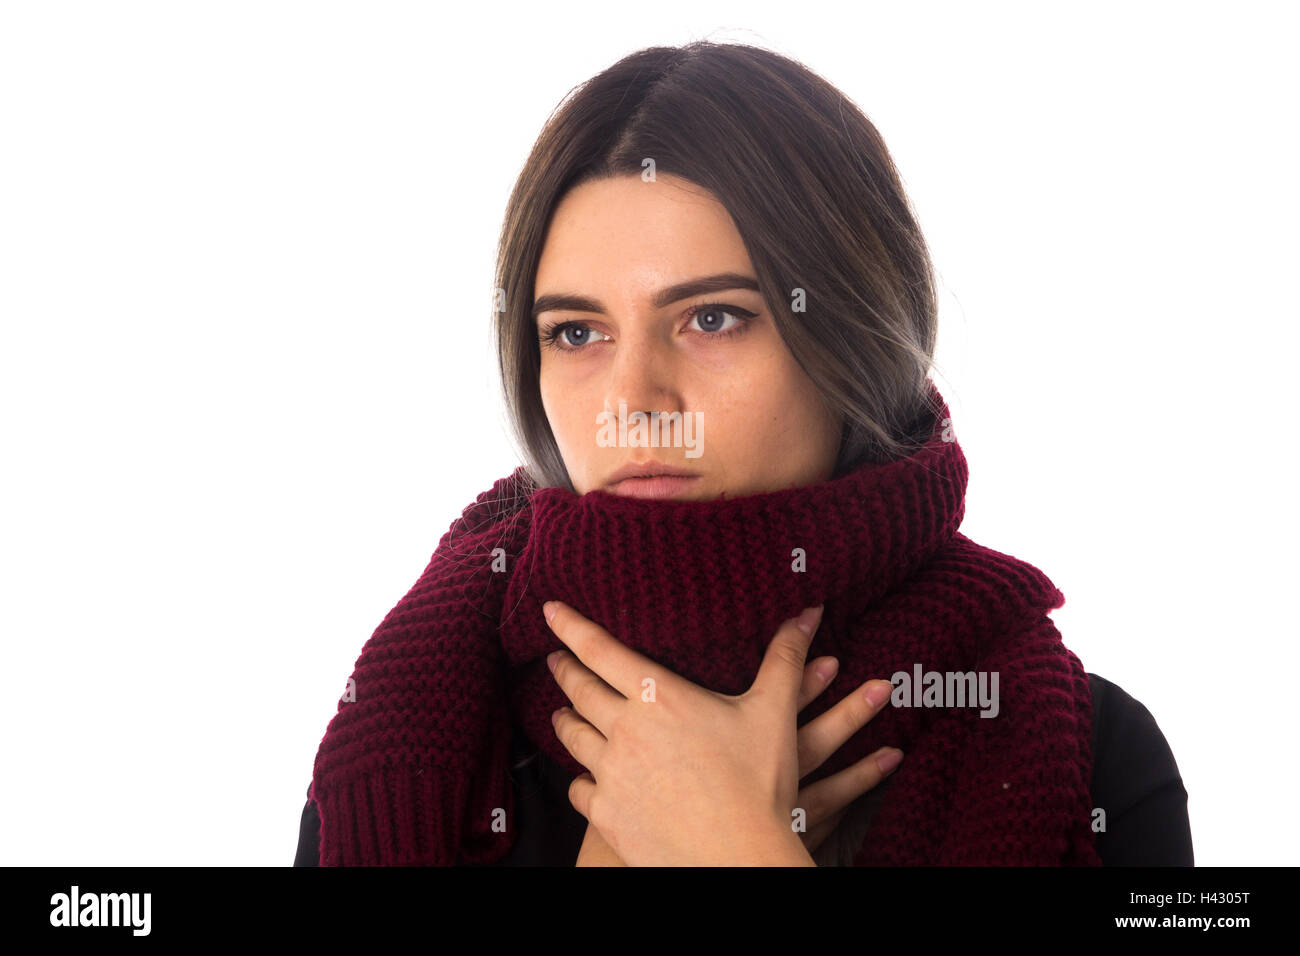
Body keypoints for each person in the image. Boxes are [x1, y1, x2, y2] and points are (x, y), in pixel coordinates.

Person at [298, 40, 1192, 866]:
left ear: (852, 338)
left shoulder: (1088, 756)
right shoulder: (416, 732)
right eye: (576, 332)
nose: (634, 405)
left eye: (713, 318)